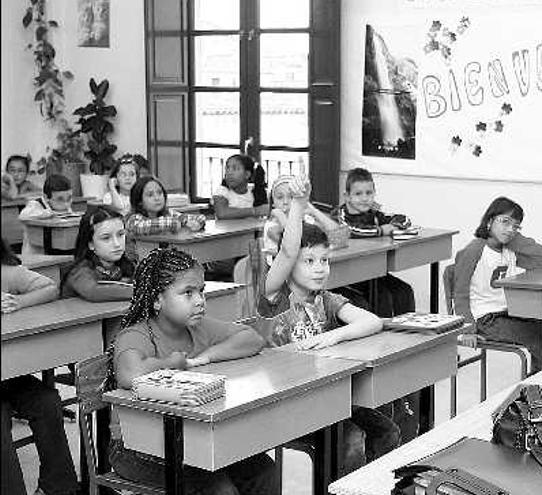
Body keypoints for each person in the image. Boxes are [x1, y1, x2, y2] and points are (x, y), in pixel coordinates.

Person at [258, 176, 400, 474]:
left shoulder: (325, 299)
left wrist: (334, 336)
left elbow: (371, 321)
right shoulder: (275, 296)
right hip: (288, 402)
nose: (320, 268)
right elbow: (286, 252)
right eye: (308, 261)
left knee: (386, 428)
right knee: (351, 440)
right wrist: (298, 204)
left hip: (327, 395)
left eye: (324, 260)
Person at [110, 247, 277, 494]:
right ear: (157, 300)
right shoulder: (136, 335)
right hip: (136, 449)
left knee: (264, 470)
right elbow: (129, 374)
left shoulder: (198, 328)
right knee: (218, 489)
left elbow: (251, 339)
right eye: (187, 293)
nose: (199, 300)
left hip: (193, 438)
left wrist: (203, 358)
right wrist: (170, 363)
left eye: (201, 291)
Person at [453, 196, 542, 373]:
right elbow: (460, 294)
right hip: (484, 319)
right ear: (489, 221)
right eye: (505, 222)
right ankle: (536, 391)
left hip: (507, 313)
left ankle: (535, 387)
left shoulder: (510, 250)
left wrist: (512, 237)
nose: (510, 229)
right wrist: (468, 330)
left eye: (515, 226)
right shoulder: (474, 251)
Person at [1, 237, 78, 495]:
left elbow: (50, 288)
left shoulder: (6, 273)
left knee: (47, 402)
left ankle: (59, 488)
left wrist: (18, 302)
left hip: (9, 375)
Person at [331, 167, 415, 318]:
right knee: (382, 298)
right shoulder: (340, 214)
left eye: (369, 193)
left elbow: (404, 219)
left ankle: (408, 335)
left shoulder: (374, 214)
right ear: (347, 196)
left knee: (404, 291)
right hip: (347, 275)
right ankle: (382, 338)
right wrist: (382, 231)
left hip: (373, 271)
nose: (364, 198)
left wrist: (394, 225)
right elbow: (352, 231)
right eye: (358, 194)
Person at [62, 206, 135, 301]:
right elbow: (93, 291)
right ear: (90, 244)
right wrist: (142, 291)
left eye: (120, 234)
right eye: (106, 238)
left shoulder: (127, 265)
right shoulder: (79, 271)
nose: (117, 244)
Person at [124, 176, 206, 261]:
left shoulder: (168, 213)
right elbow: (139, 227)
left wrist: (198, 223)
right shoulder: (133, 219)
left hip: (163, 262)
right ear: (139, 202)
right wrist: (174, 223)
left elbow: (197, 218)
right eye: (150, 195)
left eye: (160, 193)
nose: (157, 198)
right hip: (137, 266)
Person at [17, 174, 77, 255]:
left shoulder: (63, 206)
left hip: (58, 249)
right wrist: (47, 213)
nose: (66, 204)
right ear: (46, 197)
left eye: (69, 198)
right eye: (60, 199)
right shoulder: (35, 204)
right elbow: (23, 216)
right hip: (36, 254)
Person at [212, 154, 268, 220]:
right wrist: (255, 211)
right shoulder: (222, 191)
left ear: (247, 174)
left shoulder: (255, 191)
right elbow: (222, 213)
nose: (229, 173)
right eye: (227, 168)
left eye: (235, 169)